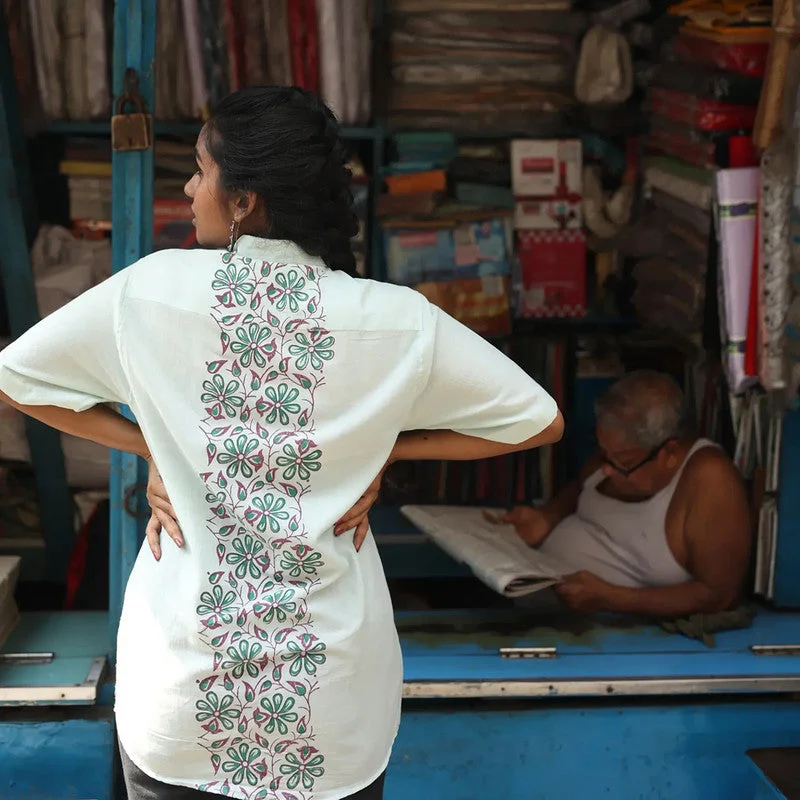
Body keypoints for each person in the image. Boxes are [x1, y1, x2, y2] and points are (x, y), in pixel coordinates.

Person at [0, 86, 563, 800]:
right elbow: (537, 420)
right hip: (328, 713)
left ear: (246, 200)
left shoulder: (152, 291)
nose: (188, 186)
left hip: (182, 696)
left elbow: (18, 381)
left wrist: (154, 449)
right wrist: (388, 450)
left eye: (201, 170)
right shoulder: (393, 320)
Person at [498, 370, 750, 618]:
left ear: (670, 453)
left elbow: (719, 594)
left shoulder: (709, 479)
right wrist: (548, 516)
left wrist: (611, 598)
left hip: (614, 642)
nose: (606, 469)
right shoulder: (619, 453)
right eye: (603, 453)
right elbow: (579, 487)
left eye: (623, 461)